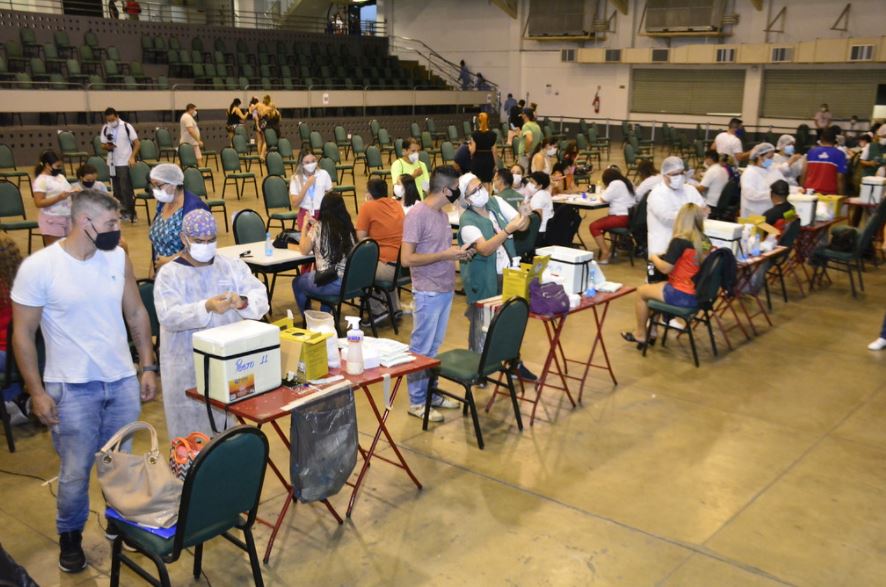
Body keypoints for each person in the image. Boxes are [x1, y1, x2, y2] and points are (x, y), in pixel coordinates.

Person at [11, 189, 158, 573]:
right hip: (71, 388)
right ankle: (70, 536)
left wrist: (147, 366)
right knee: (76, 472)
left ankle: (118, 522)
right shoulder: (39, 267)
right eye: (111, 223)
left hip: (121, 381)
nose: (118, 229)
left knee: (121, 463)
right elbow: (22, 335)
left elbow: (137, 312)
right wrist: (37, 392)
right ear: (84, 222)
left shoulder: (117, 257)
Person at [154, 209, 268, 440]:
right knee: (191, 438)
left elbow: (260, 297)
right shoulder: (170, 274)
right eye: (199, 241)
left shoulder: (231, 267)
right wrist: (204, 307)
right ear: (184, 239)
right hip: (185, 365)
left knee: (227, 430)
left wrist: (242, 301)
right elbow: (168, 315)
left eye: (210, 240)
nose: (205, 245)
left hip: (230, 364)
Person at [401, 166, 475, 422]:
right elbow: (407, 258)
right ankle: (417, 401)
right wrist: (445, 254)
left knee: (433, 348)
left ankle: (431, 392)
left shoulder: (443, 215)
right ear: (445, 189)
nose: (458, 192)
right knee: (421, 348)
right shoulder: (416, 215)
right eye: (455, 188)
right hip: (427, 292)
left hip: (444, 289)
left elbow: (440, 249)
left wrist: (458, 252)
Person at [457, 173, 529, 352]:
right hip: (484, 278)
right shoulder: (467, 221)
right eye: (474, 191)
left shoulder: (495, 202)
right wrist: (507, 230)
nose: (480, 191)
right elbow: (485, 248)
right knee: (482, 326)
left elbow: (521, 224)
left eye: (480, 186)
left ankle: (512, 363)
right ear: (466, 200)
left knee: (510, 323)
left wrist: (525, 215)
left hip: (507, 271)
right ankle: (477, 366)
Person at [622, 203, 709, 347]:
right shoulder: (705, 240)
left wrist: (654, 257)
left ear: (681, 219)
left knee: (641, 292)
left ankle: (641, 334)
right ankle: (653, 330)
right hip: (698, 292)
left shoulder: (679, 241)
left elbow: (665, 269)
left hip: (681, 294)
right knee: (656, 288)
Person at [291, 193, 356, 315]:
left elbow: (303, 250)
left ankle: (308, 319)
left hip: (332, 282)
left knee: (297, 283)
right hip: (350, 282)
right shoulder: (348, 227)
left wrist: (305, 225)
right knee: (322, 278)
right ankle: (324, 317)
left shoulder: (318, 227)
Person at [356, 179, 405, 320]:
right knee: (379, 263)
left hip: (387, 267)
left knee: (357, 270)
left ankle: (377, 309)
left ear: (370, 194)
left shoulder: (368, 206)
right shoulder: (396, 204)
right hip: (402, 264)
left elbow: (361, 238)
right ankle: (394, 307)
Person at [147, 163, 209, 270]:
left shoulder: (194, 207)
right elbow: (157, 240)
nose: (155, 190)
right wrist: (152, 267)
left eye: (158, 186)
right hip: (163, 272)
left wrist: (171, 260)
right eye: (153, 186)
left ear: (173, 184)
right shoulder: (163, 203)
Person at [646, 156, 706, 260]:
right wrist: (692, 213)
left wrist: (693, 213)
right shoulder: (656, 194)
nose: (679, 177)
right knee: (655, 274)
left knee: (681, 274)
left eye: (681, 173)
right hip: (661, 247)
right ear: (664, 175)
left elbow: (704, 212)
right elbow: (667, 219)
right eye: (674, 174)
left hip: (687, 246)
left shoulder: (690, 189)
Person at [589, 167, 636, 264]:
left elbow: (604, 199)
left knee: (593, 226)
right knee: (609, 220)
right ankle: (612, 249)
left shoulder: (615, 184)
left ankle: (605, 252)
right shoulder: (627, 182)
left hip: (621, 217)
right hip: (630, 217)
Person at [100, 107, 140, 222]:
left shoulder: (126, 126)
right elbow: (102, 144)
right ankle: (121, 211)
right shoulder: (105, 128)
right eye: (108, 120)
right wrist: (107, 147)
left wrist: (132, 157)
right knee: (116, 189)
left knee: (125, 189)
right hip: (112, 162)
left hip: (124, 161)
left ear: (117, 116)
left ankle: (131, 212)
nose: (111, 122)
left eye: (112, 119)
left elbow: (137, 143)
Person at [0, 235, 24, 422]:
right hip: (29, 351)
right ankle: (14, 398)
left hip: (5, 354)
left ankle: (11, 399)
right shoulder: (25, 278)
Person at [32, 151, 75, 246]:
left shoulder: (61, 177)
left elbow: (67, 190)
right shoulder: (41, 180)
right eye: (58, 166)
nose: (60, 169)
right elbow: (38, 202)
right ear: (47, 165)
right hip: (52, 220)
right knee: (56, 252)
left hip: (67, 217)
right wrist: (58, 198)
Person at [290, 150, 333, 228]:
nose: (311, 164)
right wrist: (307, 185)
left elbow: (330, 196)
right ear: (301, 164)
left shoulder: (323, 174)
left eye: (313, 161)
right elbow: (295, 203)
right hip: (305, 214)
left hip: (322, 213)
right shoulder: (295, 178)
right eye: (307, 162)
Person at [741, 142, 784, 218]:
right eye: (769, 157)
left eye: (772, 157)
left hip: (769, 212)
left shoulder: (771, 169)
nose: (771, 160)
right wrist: (772, 194)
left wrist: (796, 190)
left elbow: (783, 184)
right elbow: (750, 194)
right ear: (760, 157)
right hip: (753, 214)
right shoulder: (750, 173)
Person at [802, 127, 847, 195]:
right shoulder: (839, 154)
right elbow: (840, 178)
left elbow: (804, 172)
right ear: (834, 141)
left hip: (809, 192)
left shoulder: (811, 152)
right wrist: (841, 196)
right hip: (829, 195)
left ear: (821, 139)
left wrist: (802, 189)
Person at [526, 171, 554, 245]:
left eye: (532, 182)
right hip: (548, 231)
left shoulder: (538, 196)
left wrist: (523, 206)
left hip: (539, 233)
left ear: (540, 185)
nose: (529, 184)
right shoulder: (546, 193)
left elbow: (537, 218)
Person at [470, 112, 497, 183]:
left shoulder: (474, 134)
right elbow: (494, 151)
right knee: (487, 182)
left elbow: (473, 150)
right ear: (488, 121)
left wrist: (470, 148)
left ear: (478, 122)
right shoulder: (493, 135)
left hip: (477, 160)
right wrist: (495, 163)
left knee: (477, 181)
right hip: (489, 159)